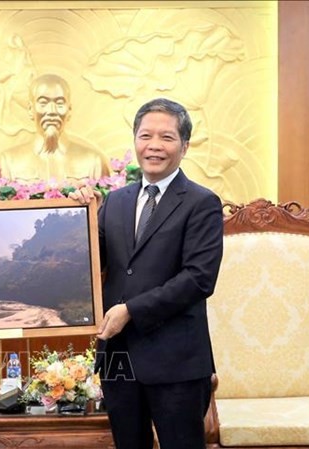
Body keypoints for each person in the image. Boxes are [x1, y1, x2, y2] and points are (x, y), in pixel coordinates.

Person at [71, 98, 223, 449]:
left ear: (184, 146)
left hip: (177, 363)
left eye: (167, 137)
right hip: (119, 359)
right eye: (145, 136)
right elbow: (94, 265)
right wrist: (81, 218)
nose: (154, 146)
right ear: (135, 141)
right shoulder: (115, 201)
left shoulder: (202, 203)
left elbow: (198, 278)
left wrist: (131, 311)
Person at [0, 73, 110, 182]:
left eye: (59, 103)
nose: (51, 111)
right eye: (43, 103)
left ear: (69, 110)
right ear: (31, 109)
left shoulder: (94, 162)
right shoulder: (8, 162)